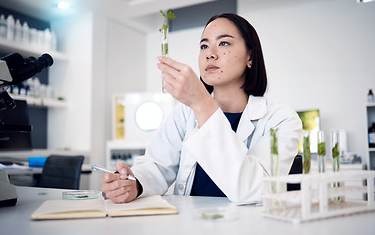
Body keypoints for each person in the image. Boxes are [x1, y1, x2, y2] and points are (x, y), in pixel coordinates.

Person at [101, 13, 302, 203]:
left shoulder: (281, 119)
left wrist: (202, 103)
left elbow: (254, 190)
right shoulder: (185, 112)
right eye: (204, 46)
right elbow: (157, 166)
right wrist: (133, 184)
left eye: (223, 43)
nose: (210, 54)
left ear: (250, 56)